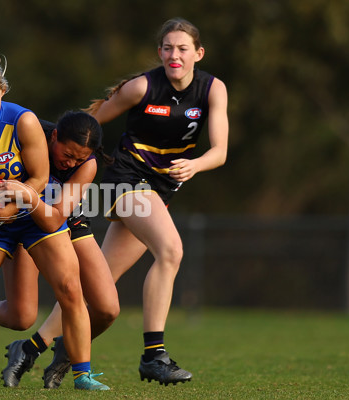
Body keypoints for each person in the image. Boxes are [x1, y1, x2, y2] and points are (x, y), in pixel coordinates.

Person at [0, 45, 108, 391]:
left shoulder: (25, 121)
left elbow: (37, 181)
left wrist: (10, 206)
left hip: (40, 215)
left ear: (3, 91)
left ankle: (83, 375)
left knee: (71, 289)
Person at [85, 18, 229, 385]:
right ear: (160, 53)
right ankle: (154, 355)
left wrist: (195, 165)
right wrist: (40, 144)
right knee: (171, 251)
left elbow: (220, 152)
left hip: (158, 192)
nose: (174, 55)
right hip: (127, 182)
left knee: (100, 281)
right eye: (167, 48)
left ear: (198, 53)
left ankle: (35, 348)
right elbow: (85, 127)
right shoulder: (142, 87)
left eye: (182, 48)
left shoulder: (212, 89)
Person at [0, 111, 119, 388]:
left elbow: (56, 217)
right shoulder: (28, 135)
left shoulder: (88, 165)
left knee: (107, 308)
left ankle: (67, 357)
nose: (70, 162)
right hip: (22, 220)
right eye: (68, 153)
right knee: (21, 315)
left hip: (63, 218)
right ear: (55, 136)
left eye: (79, 158)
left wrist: (30, 196)